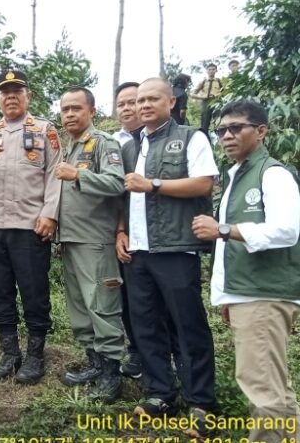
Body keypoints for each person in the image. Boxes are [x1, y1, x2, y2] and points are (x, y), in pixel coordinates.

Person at [193, 100, 300, 443]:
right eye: (222, 130)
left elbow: (287, 230)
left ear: (262, 131)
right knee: (274, 386)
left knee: (262, 389)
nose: (227, 135)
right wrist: (228, 296)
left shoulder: (273, 173)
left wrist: (222, 229)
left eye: (236, 128)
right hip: (248, 294)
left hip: (265, 294)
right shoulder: (237, 175)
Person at [121, 78, 219, 431]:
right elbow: (126, 195)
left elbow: (205, 182)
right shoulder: (131, 146)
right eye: (139, 100)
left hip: (176, 247)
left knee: (187, 324)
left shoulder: (191, 137)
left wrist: (154, 184)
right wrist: (121, 231)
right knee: (146, 325)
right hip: (139, 250)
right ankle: (160, 392)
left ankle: (201, 402)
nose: (143, 105)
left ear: (171, 101)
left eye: (151, 99)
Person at [0, 70, 62, 385]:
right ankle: (9, 352)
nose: (11, 96)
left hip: (29, 226)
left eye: (17, 90)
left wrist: (50, 214)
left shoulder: (45, 130)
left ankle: (35, 354)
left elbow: (55, 175)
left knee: (34, 292)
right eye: (5, 92)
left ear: (27, 95)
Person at [55, 87, 125, 402]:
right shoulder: (70, 147)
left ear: (92, 111)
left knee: (101, 306)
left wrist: (78, 176)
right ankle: (94, 364)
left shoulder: (102, 143)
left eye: (76, 109)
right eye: (65, 109)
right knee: (80, 309)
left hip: (95, 241)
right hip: (71, 239)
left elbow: (116, 183)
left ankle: (112, 374)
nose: (69, 114)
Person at [112, 82, 144, 380]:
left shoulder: (170, 138)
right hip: (126, 234)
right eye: (121, 103)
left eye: (133, 102)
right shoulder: (115, 143)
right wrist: (119, 230)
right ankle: (136, 350)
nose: (127, 108)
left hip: (160, 237)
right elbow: (118, 193)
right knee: (128, 297)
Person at [191, 63, 223, 135]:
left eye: (213, 69)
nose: (211, 71)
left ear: (216, 71)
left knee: (218, 121)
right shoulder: (203, 81)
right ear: (207, 71)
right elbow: (192, 94)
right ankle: (204, 138)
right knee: (205, 122)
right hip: (206, 102)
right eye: (209, 69)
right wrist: (203, 97)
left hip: (216, 102)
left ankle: (219, 139)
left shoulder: (219, 81)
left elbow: (225, 92)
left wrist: (219, 96)